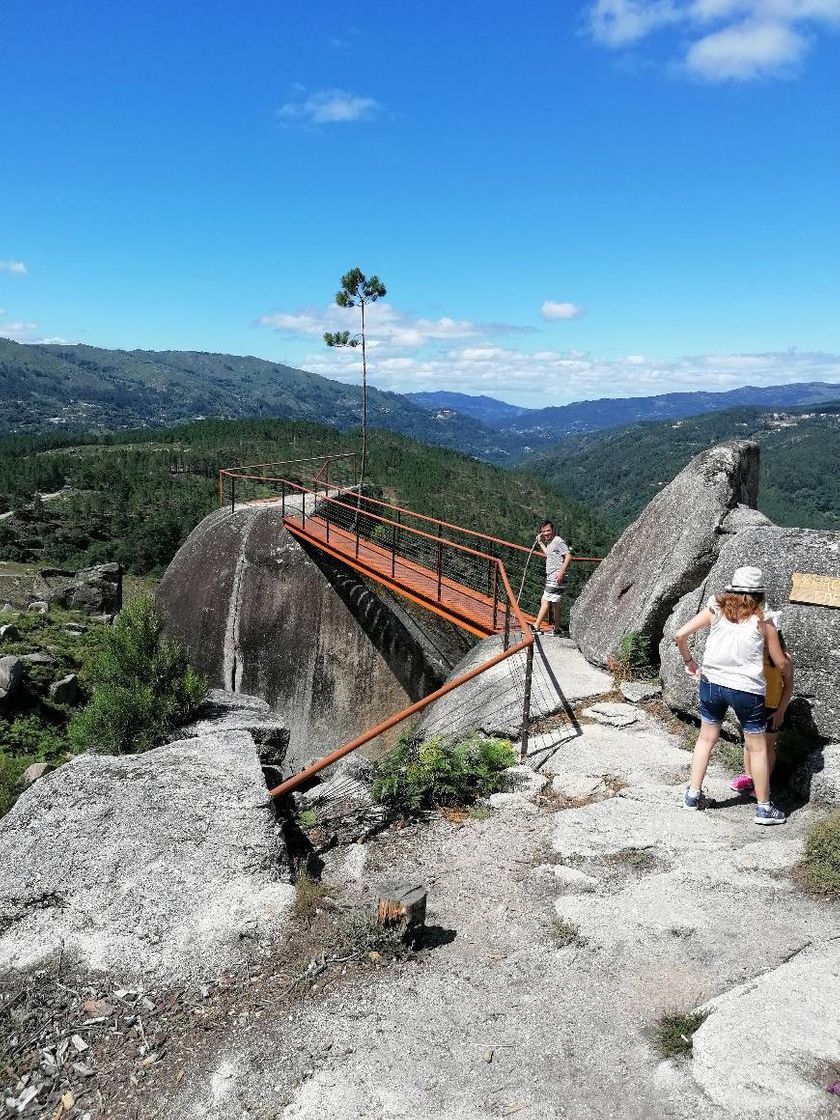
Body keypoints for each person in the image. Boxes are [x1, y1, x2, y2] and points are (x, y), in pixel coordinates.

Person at [674, 566, 787, 825]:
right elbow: (779, 662)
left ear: (731, 589)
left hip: (711, 682)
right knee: (757, 747)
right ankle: (764, 808)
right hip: (747, 689)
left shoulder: (715, 607)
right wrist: (788, 670)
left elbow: (680, 634)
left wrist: (689, 661)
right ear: (759, 594)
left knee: (706, 738)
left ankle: (693, 795)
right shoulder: (764, 619)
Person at [730, 610, 794, 796]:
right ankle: (749, 778)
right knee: (749, 744)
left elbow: (788, 687)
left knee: (767, 746)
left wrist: (781, 711)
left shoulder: (784, 659)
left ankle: (762, 783)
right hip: (752, 704)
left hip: (773, 708)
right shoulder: (753, 655)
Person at [532, 520, 571, 636]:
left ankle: (536, 626)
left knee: (545, 600)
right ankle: (557, 629)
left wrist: (561, 573)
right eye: (543, 531)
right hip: (552, 576)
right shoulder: (550, 542)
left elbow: (568, 556)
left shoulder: (558, 541)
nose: (546, 533)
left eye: (548, 530)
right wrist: (540, 542)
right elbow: (548, 553)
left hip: (557, 577)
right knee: (555, 604)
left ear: (553, 530)